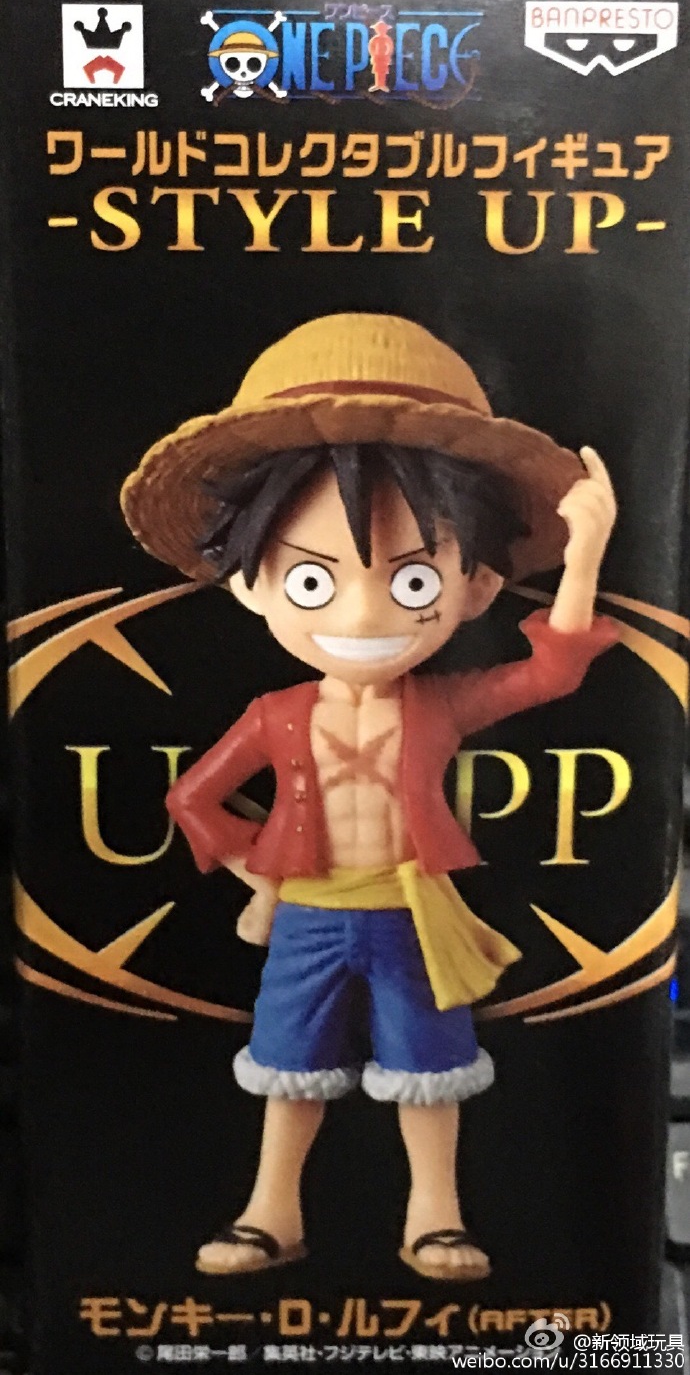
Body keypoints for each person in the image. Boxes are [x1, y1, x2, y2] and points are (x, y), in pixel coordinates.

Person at [121, 312, 618, 1281]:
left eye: (415, 579)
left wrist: (588, 548)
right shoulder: (275, 713)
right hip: (307, 916)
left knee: (431, 1068)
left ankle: (437, 1216)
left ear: (476, 586)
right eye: (312, 580)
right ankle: (271, 1212)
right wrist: (257, 870)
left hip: (414, 912)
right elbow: (192, 796)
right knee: (288, 1064)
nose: (360, 612)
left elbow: (550, 672)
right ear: (250, 586)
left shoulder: (442, 702)